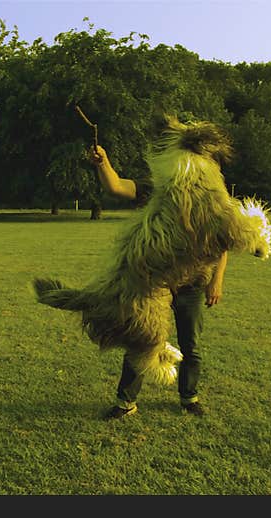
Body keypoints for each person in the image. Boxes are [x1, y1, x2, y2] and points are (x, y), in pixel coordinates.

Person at [88, 144, 228, 418]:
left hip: (193, 285)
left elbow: (223, 243)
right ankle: (125, 402)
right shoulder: (158, 191)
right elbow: (116, 187)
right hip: (155, 284)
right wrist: (102, 162)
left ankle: (189, 398)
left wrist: (216, 280)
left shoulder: (210, 199)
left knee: (191, 345)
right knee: (140, 341)